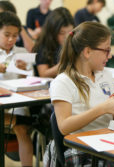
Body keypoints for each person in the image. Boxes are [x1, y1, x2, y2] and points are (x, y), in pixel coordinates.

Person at [49, 21, 114, 166]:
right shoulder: (63, 82)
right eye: (106, 50)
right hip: (82, 149)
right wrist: (102, 108)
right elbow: (64, 126)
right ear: (87, 52)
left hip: (110, 143)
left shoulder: (105, 74)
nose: (110, 55)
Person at [0, 11, 35, 167]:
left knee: (22, 129)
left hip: (17, 102)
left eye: (15, 36)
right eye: (6, 34)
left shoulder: (21, 53)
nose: (10, 39)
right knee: (20, 121)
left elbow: (32, 82)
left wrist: (24, 72)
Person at [32, 7, 74, 78]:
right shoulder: (43, 45)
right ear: (53, 31)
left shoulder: (74, 42)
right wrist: (64, 65)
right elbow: (43, 74)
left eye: (70, 32)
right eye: (62, 32)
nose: (66, 37)